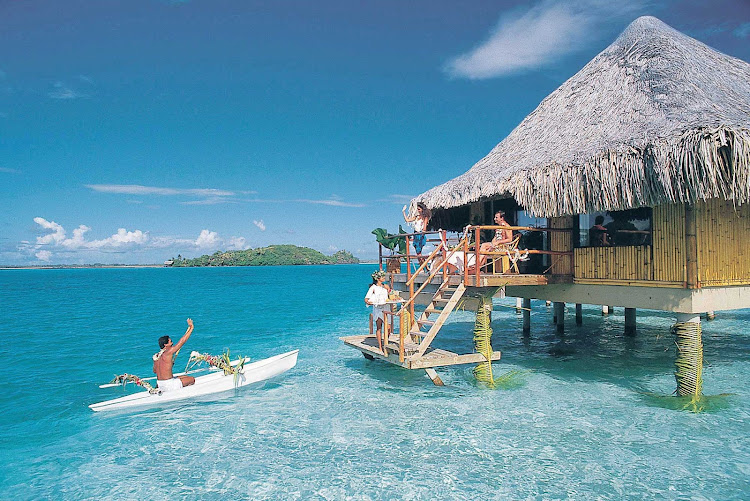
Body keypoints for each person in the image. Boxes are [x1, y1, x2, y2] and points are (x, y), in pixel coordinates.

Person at [153, 318, 196, 391]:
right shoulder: (168, 352)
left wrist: (168, 365)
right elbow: (182, 341)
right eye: (170, 341)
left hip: (160, 384)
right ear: (165, 345)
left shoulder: (156, 356)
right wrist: (191, 327)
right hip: (169, 385)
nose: (172, 343)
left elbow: (155, 371)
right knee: (192, 379)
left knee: (184, 377)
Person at [364, 270, 390, 352]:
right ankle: (380, 346)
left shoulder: (385, 286)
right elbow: (366, 299)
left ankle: (385, 342)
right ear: (378, 278)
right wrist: (369, 302)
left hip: (386, 307)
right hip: (378, 308)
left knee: (388, 328)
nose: (384, 278)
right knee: (379, 327)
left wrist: (389, 290)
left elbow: (391, 295)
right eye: (383, 277)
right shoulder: (373, 288)